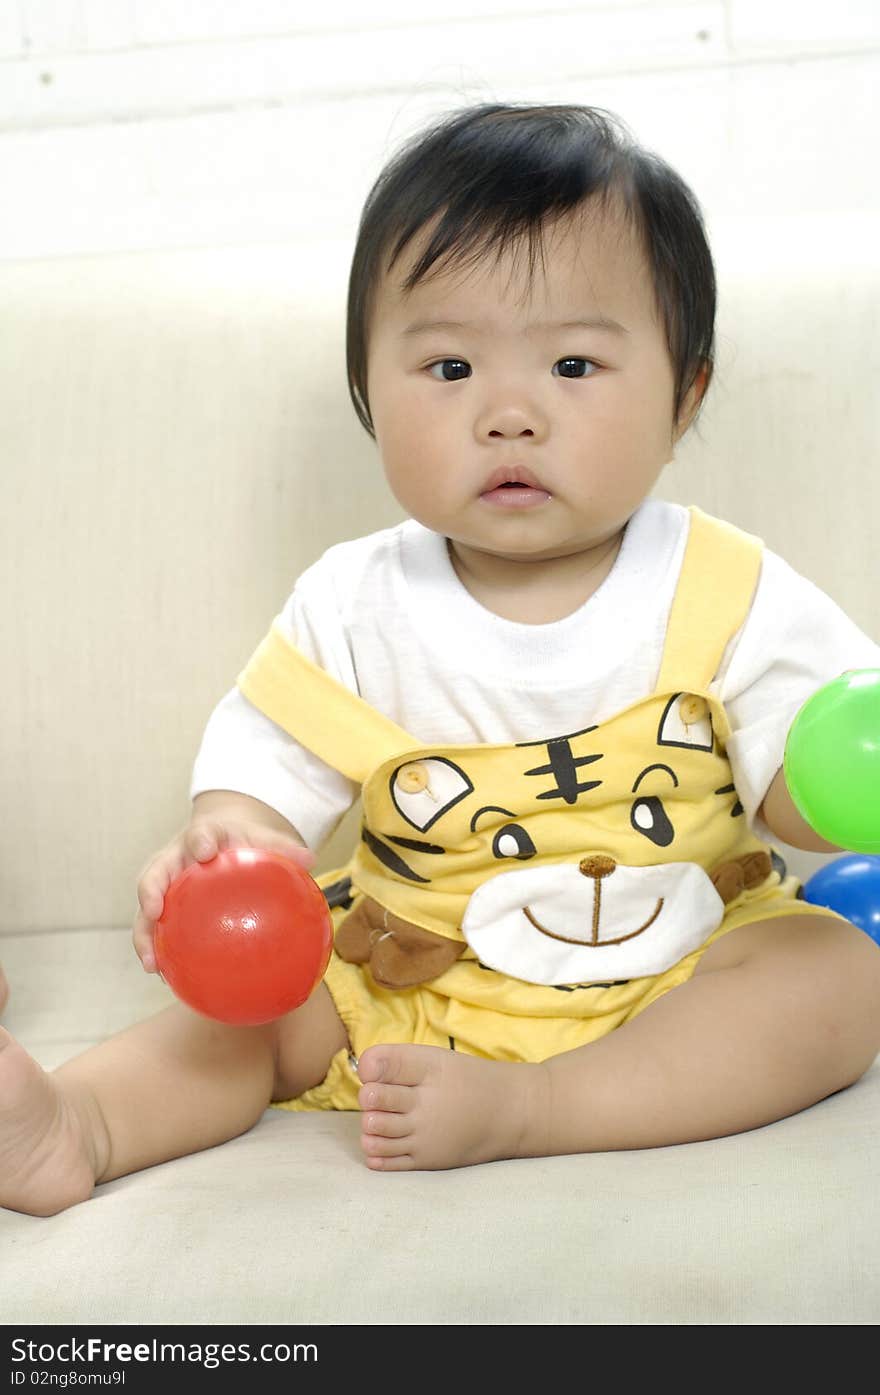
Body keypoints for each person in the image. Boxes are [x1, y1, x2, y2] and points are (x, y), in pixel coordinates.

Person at [3, 103, 880, 1218]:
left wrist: (843, 784)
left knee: (835, 980)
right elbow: (265, 773)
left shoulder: (727, 585)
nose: (508, 415)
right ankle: (79, 1125)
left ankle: (547, 1107)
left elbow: (799, 797)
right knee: (256, 1009)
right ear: (370, 397)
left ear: (683, 397)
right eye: (450, 366)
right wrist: (229, 839)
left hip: (678, 962)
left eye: (572, 363)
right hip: (410, 969)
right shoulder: (356, 600)